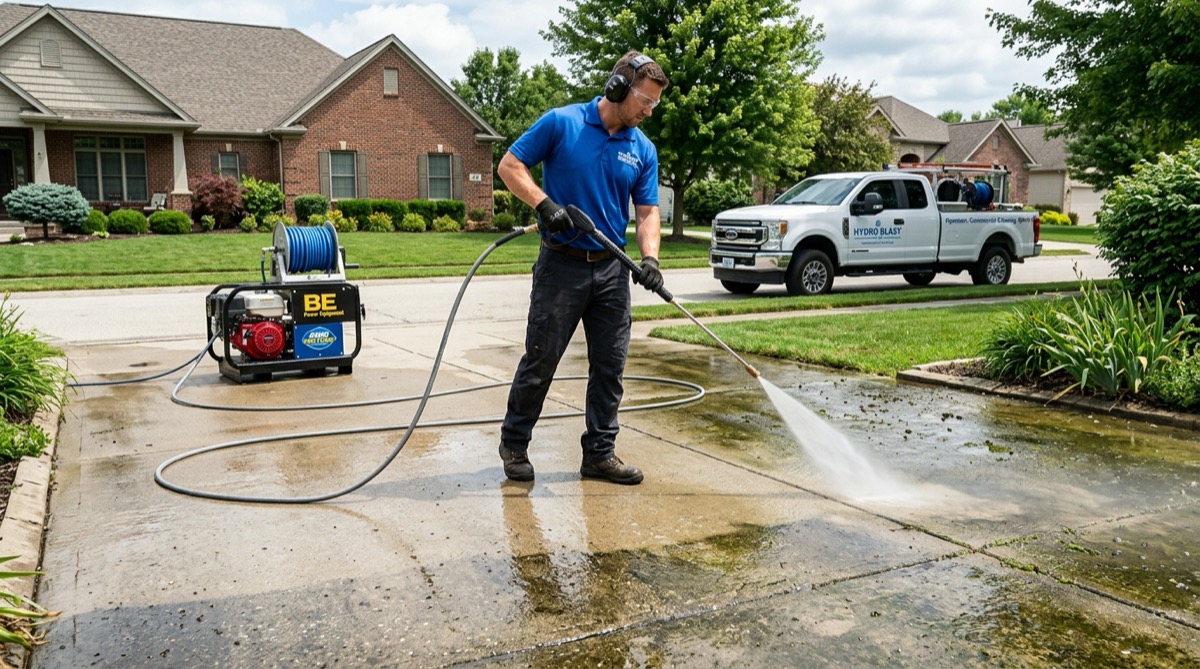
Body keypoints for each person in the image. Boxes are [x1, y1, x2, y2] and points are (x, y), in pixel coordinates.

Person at [495, 50, 670, 486]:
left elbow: (647, 212)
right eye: (645, 101)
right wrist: (544, 204)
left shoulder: (642, 149)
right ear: (618, 87)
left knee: (610, 366)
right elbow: (509, 165)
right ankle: (514, 445)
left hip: (611, 271)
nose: (649, 111)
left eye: (655, 103)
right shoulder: (562, 122)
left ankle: (599, 454)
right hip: (561, 265)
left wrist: (650, 258)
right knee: (541, 359)